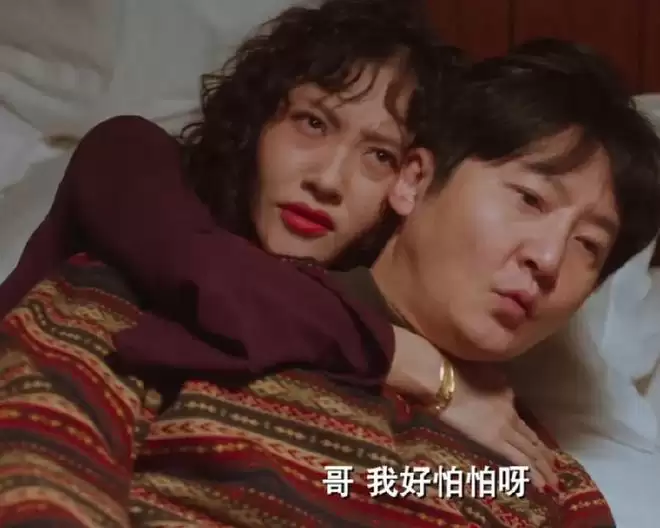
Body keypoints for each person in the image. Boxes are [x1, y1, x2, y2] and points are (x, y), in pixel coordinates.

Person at [2, 39, 658, 527]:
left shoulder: (534, 472)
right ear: (415, 181)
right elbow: (41, 466)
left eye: (589, 245)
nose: (548, 257)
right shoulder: (168, 294)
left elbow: (362, 484)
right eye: (531, 199)